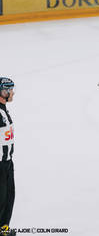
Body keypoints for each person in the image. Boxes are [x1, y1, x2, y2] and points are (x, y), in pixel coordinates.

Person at [0, 77, 16, 236]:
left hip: (7, 163)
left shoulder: (4, 109)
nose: (12, 93)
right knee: (1, 199)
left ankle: (3, 229)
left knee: (9, 197)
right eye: (10, 89)